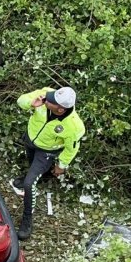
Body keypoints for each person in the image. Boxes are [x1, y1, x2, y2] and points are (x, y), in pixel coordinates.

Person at [8, 86, 85, 240]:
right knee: (31, 168)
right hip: (30, 141)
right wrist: (31, 103)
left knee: (30, 184)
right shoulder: (44, 95)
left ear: (60, 109)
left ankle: (27, 219)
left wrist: (61, 165)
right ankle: (31, 177)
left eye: (50, 100)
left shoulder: (74, 126)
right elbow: (20, 101)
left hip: (47, 152)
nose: (46, 98)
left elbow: (71, 149)